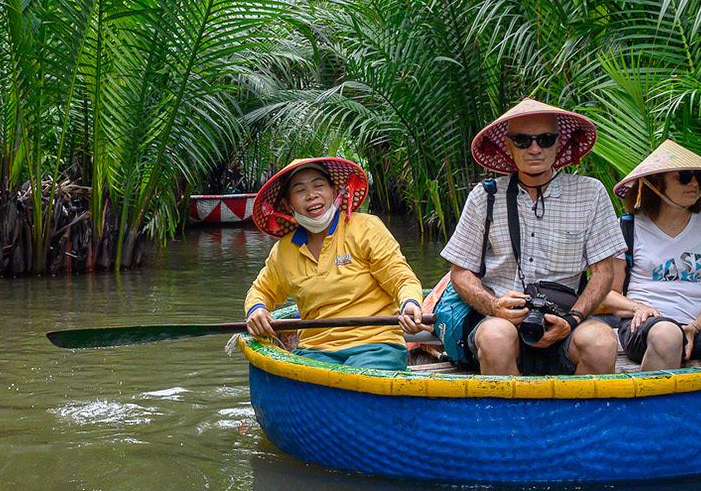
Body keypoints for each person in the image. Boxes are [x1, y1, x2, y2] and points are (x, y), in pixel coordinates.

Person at [437, 99, 623, 376]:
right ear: (508, 146)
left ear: (559, 143)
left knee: (601, 341)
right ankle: (508, 418)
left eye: (545, 139)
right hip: (502, 320)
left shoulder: (591, 193)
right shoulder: (484, 197)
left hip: (566, 318)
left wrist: (573, 319)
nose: (535, 149)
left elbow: (602, 272)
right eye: (523, 141)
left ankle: (582, 418)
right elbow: (460, 272)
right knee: (495, 337)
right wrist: (494, 306)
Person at [244, 157, 426, 372]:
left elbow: (400, 278)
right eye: (300, 190)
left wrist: (410, 303)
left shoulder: (366, 228)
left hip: (376, 344)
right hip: (315, 350)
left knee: (360, 384)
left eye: (319, 185)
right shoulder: (284, 250)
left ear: (334, 191)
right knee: (311, 385)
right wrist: (256, 309)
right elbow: (262, 290)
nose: (311, 195)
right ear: (287, 204)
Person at [602, 140, 701, 369]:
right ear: (656, 183)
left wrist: (694, 327)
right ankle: (652, 401)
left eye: (700, 178)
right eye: (685, 177)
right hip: (646, 325)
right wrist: (638, 308)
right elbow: (607, 292)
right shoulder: (628, 227)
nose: (695, 184)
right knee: (668, 336)